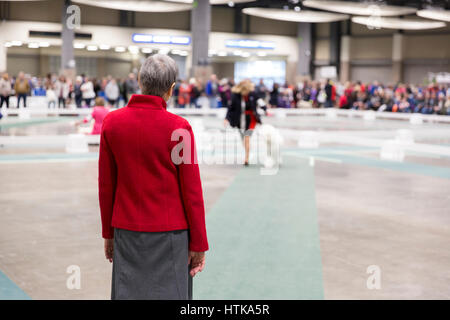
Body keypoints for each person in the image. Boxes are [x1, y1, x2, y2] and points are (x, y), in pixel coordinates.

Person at [99, 54, 208, 300]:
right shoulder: (180, 128)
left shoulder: (112, 123)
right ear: (171, 90)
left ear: (139, 80)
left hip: (126, 231)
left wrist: (109, 232)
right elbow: (192, 192)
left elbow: (107, 186)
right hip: (172, 235)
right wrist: (198, 244)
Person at [225, 79, 262, 166]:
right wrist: (227, 118)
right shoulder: (235, 95)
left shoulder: (253, 94)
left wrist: (265, 108)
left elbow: (260, 102)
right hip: (240, 120)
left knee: (247, 137)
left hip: (251, 120)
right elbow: (231, 108)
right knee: (243, 139)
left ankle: (246, 158)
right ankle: (247, 151)